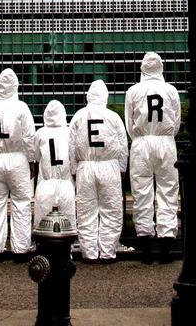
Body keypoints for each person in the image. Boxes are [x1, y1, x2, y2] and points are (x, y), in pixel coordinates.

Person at [124, 52, 181, 258]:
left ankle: (145, 240)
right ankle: (166, 240)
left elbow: (129, 122)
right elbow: (176, 121)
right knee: (168, 190)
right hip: (165, 142)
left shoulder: (133, 91)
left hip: (141, 142)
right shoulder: (171, 91)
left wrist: (139, 137)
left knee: (141, 192)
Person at [69, 79, 129, 263]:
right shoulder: (113, 117)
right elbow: (122, 144)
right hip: (109, 165)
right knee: (111, 210)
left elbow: (71, 145)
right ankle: (108, 252)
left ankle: (89, 253)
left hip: (85, 166)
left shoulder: (78, 116)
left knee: (86, 212)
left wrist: (73, 169)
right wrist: (121, 168)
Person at [0, 68, 37, 257]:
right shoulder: (21, 107)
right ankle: (20, 248)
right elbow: (30, 136)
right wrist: (32, 160)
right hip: (17, 159)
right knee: (21, 203)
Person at [34, 99, 77, 228]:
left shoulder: (40, 133)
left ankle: (41, 245)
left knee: (42, 223)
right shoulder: (69, 132)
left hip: (46, 183)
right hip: (66, 183)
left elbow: (36, 156)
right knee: (68, 224)